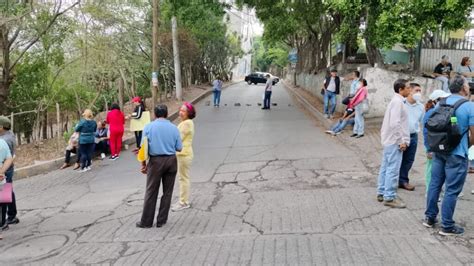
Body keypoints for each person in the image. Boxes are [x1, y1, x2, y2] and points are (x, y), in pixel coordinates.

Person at [424, 75, 474, 236]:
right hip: (457, 153)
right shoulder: (469, 106)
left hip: (440, 150)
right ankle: (447, 225)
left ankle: (429, 218)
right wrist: (468, 145)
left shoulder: (441, 102)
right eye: (467, 85)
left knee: (435, 184)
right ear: (464, 88)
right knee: (452, 190)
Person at [136, 104, 182, 228]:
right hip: (171, 161)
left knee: (151, 191)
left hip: (155, 162)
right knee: (167, 192)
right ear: (166, 114)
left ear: (155, 115)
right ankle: (161, 220)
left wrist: (143, 165)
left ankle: (146, 222)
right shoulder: (174, 128)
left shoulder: (148, 127)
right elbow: (179, 148)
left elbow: (143, 148)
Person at [376, 79, 411, 208]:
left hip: (389, 140)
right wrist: (401, 140)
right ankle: (389, 197)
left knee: (386, 167)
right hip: (394, 141)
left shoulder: (397, 101)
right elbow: (395, 124)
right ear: (400, 90)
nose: (409, 90)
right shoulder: (398, 103)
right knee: (392, 169)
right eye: (407, 88)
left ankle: (381, 192)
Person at [422, 90, 451, 195]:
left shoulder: (444, 111)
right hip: (432, 146)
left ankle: (437, 190)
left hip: (441, 146)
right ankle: (429, 191)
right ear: (436, 100)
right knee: (431, 169)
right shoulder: (430, 113)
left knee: (439, 169)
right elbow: (426, 132)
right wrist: (429, 149)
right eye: (444, 99)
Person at [398, 83, 425, 191]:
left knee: (409, 160)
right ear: (410, 91)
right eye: (416, 90)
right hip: (400, 136)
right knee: (396, 159)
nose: (418, 93)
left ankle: (403, 180)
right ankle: (392, 180)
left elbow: (421, 122)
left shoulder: (421, 106)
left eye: (420, 91)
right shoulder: (401, 104)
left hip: (413, 136)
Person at [172, 102, 196, 212]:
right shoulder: (186, 122)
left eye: (183, 111)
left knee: (183, 178)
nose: (180, 112)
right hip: (184, 154)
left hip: (183, 154)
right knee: (183, 178)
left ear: (189, 113)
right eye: (180, 110)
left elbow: (178, 139)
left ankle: (183, 202)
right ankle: (183, 200)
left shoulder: (186, 123)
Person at [0, 116, 19, 229]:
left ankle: (6, 220)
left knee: (3, 196)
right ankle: (11, 215)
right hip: (8, 168)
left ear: (2, 127)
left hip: (4, 169)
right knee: (8, 191)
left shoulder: (5, 140)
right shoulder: (9, 134)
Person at [0, 138, 14, 239]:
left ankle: (9, 217)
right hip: (6, 170)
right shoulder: (5, 139)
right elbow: (11, 156)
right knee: (5, 197)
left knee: (5, 197)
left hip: (6, 171)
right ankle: (8, 218)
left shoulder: (5, 138)